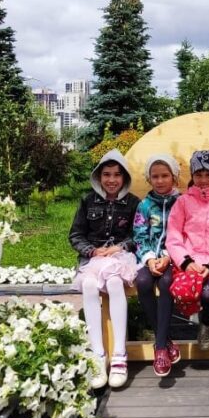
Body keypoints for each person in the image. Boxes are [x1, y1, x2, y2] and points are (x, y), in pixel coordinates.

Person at [69, 148, 140, 389]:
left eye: (117, 175)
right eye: (106, 174)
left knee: (115, 282)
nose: (111, 180)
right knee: (89, 285)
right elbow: (76, 234)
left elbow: (138, 235)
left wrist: (120, 247)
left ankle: (119, 354)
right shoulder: (88, 201)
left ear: (124, 178)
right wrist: (91, 250)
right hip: (93, 260)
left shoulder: (133, 203)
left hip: (120, 258)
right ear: (98, 177)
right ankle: (97, 354)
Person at [165, 149, 209, 350]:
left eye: (208, 175)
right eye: (198, 174)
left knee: (207, 294)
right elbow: (173, 237)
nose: (203, 180)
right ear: (192, 175)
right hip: (189, 261)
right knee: (183, 292)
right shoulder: (183, 201)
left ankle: (205, 323)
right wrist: (186, 261)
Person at [133, 154, 182, 377]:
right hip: (150, 257)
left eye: (165, 176)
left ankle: (160, 347)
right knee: (143, 282)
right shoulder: (144, 205)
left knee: (166, 283)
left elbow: (185, 234)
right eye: (155, 177)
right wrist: (150, 259)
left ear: (174, 177)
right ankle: (166, 341)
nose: (160, 181)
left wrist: (168, 257)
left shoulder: (182, 203)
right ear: (149, 179)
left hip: (174, 258)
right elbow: (139, 235)